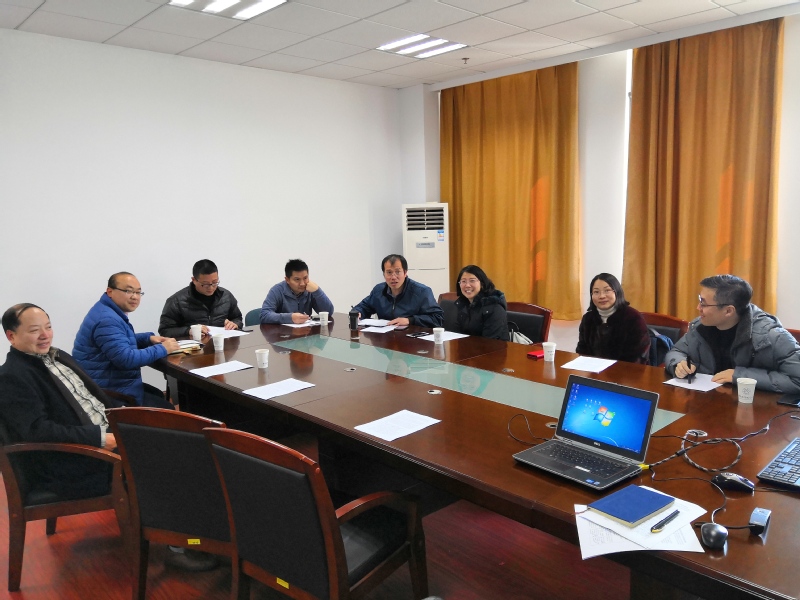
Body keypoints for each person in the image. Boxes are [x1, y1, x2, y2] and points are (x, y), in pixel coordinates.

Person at [0, 304, 121, 499]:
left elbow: (89, 396)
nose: (45, 335)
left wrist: (123, 415)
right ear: (11, 336)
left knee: (166, 438)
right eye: (34, 330)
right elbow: (38, 431)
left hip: (107, 431)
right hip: (79, 458)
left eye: (48, 327)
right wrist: (98, 438)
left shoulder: (57, 356)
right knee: (161, 454)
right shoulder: (12, 376)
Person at [665, 275, 800, 393]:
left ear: (728, 311)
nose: (698, 308)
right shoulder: (700, 327)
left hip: (755, 408)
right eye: (700, 300)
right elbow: (677, 351)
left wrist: (740, 376)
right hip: (708, 404)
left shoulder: (771, 336)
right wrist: (679, 363)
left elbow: (796, 380)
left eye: (704, 304)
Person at [73, 272, 179, 408]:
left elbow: (117, 341)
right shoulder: (107, 319)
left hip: (109, 381)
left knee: (157, 394)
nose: (135, 297)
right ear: (110, 292)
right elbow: (126, 359)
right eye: (128, 291)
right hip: (107, 391)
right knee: (167, 408)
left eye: (138, 292)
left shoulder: (105, 310)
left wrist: (148, 338)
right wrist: (163, 348)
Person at [576, 273, 650, 364]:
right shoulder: (588, 319)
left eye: (607, 290)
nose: (602, 296)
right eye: (596, 292)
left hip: (627, 371)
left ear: (617, 291)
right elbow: (582, 351)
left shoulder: (633, 318)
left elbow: (638, 357)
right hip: (593, 370)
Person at [352, 254, 443, 328]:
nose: (393, 277)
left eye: (398, 272)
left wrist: (410, 320)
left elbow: (437, 318)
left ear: (405, 273)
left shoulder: (421, 292)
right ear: (384, 274)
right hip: (386, 339)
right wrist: (358, 313)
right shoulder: (379, 290)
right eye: (389, 272)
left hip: (413, 340)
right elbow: (364, 307)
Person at [159, 259, 243, 337]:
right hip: (194, 346)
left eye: (215, 282)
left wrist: (235, 324)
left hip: (223, 344)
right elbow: (165, 331)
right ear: (194, 280)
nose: (211, 288)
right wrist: (188, 331)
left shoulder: (226, 296)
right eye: (205, 284)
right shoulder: (176, 301)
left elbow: (237, 318)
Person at [260, 259, 334, 324]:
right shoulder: (277, 290)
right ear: (287, 280)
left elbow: (328, 313)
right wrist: (290, 318)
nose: (302, 283)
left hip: (306, 333)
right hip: (283, 333)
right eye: (297, 279)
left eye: (305, 278)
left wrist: (317, 291)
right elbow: (264, 315)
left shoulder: (311, 289)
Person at [451, 265, 508, 340]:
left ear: (482, 283)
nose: (467, 285)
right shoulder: (463, 304)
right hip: (469, 346)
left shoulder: (494, 307)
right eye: (463, 281)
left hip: (491, 347)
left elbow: (490, 341)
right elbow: (458, 334)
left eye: (472, 281)